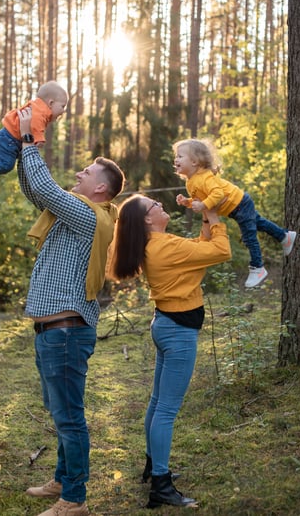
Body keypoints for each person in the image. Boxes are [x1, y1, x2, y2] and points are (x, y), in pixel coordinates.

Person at [17, 107, 125, 516]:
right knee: (59, 410)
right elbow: (36, 190)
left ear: (101, 190)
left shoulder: (89, 215)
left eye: (85, 173)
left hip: (64, 330)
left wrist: (33, 140)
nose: (78, 175)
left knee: (69, 417)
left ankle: (74, 499)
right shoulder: (75, 214)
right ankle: (63, 480)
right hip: (52, 329)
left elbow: (46, 189)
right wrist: (19, 149)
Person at [108, 194, 231, 510]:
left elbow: (197, 250)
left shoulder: (158, 244)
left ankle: (153, 466)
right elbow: (220, 250)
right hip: (177, 332)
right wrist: (215, 218)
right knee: (166, 409)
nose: (161, 206)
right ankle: (161, 485)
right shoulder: (165, 247)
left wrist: (203, 217)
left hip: (165, 324)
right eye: (155, 206)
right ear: (148, 219)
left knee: (158, 402)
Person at [173, 138, 296, 288]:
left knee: (248, 236)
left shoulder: (205, 177)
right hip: (234, 208)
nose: (176, 159)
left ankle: (258, 267)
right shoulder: (190, 181)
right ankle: (284, 236)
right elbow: (202, 199)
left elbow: (217, 194)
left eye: (180, 156)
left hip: (240, 203)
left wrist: (203, 205)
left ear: (195, 161)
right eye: (176, 156)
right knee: (260, 223)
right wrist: (188, 202)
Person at [0, 81, 68, 189]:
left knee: (8, 163)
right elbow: (36, 125)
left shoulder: (37, 108)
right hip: (7, 140)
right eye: (62, 106)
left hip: (7, 139)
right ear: (51, 103)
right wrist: (39, 139)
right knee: (6, 164)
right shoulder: (40, 112)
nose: (64, 111)